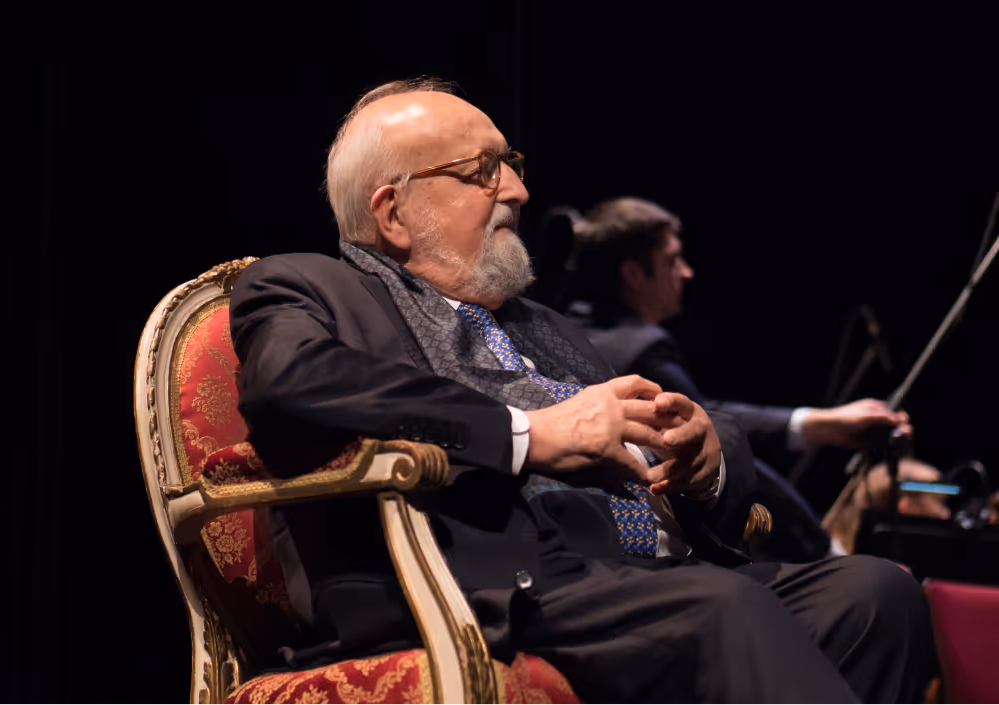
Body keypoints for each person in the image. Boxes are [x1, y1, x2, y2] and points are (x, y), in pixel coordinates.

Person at [231, 79, 934, 705]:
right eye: (483, 171)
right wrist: (529, 433)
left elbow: (669, 422)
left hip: (648, 574)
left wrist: (705, 450)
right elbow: (293, 379)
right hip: (493, 582)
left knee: (877, 594)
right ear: (394, 212)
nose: (517, 190)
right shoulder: (309, 287)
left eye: (512, 164)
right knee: (720, 606)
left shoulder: (542, 323)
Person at [563, 197, 949, 558]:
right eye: (672, 260)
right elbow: (716, 432)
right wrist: (821, 546)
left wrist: (821, 425)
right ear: (633, 273)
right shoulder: (640, 348)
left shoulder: (563, 332)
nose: (686, 272)